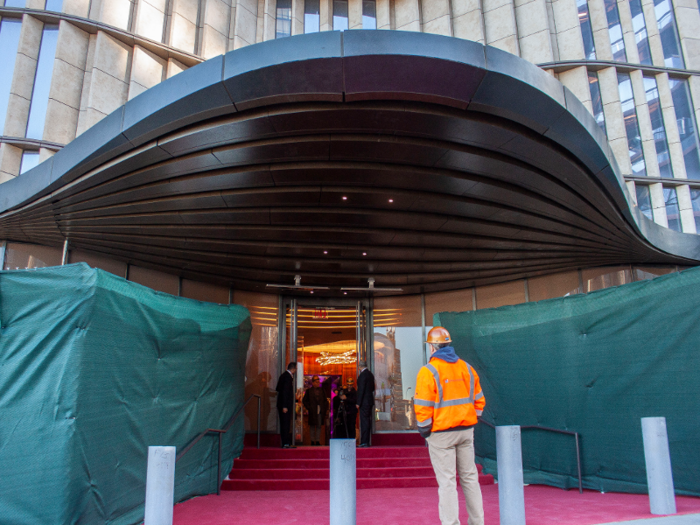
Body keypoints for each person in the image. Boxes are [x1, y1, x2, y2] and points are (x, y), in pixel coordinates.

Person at [415, 327, 485, 525]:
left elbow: (422, 406)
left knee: (447, 482)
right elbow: (479, 400)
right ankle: (477, 522)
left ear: (432, 347)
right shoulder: (467, 368)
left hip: (441, 433)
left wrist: (425, 430)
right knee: (470, 478)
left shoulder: (429, 371)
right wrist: (471, 418)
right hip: (466, 431)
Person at [276, 362, 297, 448]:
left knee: (285, 423)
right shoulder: (288, 377)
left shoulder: (283, 376)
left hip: (282, 404)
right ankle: (286, 443)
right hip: (285, 405)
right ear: (293, 369)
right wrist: (285, 405)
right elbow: (285, 392)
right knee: (285, 423)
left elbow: (278, 388)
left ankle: (286, 442)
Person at [303, 375, 328, 446]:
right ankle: (312, 440)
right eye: (316, 382)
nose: (318, 383)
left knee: (319, 425)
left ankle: (317, 440)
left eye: (318, 382)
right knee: (312, 426)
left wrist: (325, 409)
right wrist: (309, 408)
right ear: (313, 383)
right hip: (312, 410)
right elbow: (304, 401)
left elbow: (325, 401)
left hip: (320, 409)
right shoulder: (308, 391)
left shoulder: (322, 390)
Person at [356, 360, 375, 447]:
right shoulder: (370, 374)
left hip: (364, 402)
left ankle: (364, 442)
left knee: (364, 422)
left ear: (360, 367)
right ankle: (366, 441)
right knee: (367, 421)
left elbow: (361, 390)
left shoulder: (362, 376)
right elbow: (373, 388)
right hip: (370, 401)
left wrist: (358, 403)